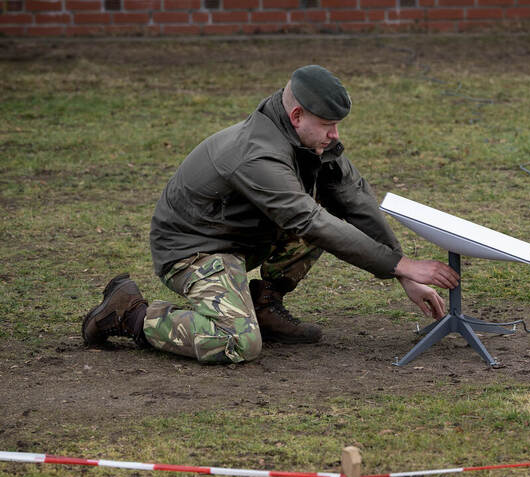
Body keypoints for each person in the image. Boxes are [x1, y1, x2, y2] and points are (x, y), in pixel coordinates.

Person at [82, 65, 459, 364]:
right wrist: (400, 265)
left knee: (328, 218)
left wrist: (401, 271)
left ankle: (265, 305)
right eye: (327, 125)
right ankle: (129, 312)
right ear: (296, 115)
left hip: (243, 236)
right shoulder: (256, 153)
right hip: (194, 251)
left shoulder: (306, 140)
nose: (334, 134)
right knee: (237, 342)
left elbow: (352, 197)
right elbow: (307, 221)